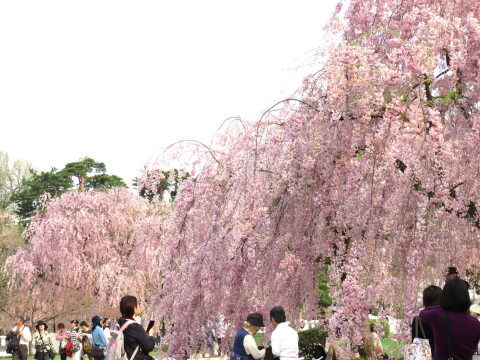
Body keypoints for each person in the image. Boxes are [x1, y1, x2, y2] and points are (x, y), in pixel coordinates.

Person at [420, 278, 480, 360]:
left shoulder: (438, 316)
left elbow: (423, 313)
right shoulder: (475, 323)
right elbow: (473, 348)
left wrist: (443, 306)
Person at [117, 295, 155, 360]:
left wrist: (144, 334)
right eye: (138, 305)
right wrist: (151, 335)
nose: (139, 307)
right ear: (134, 309)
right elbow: (148, 347)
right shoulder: (135, 327)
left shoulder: (119, 324)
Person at [411, 285, 442, 356]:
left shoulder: (418, 320)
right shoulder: (448, 318)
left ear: (424, 301)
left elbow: (415, 341)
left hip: (423, 356)